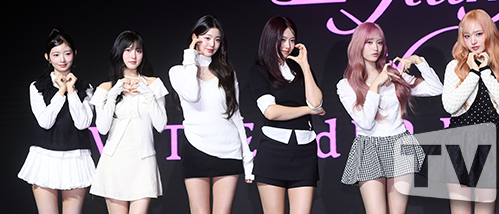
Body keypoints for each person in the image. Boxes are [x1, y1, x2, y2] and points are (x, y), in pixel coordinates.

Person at [337, 22, 443, 214]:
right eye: (369, 42)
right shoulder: (346, 85)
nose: (375, 48)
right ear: (358, 45)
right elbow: (365, 122)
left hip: (400, 144)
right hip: (369, 146)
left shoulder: (395, 76)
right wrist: (375, 85)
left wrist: (419, 61)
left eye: (379, 42)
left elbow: (436, 89)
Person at [169, 15, 254, 214]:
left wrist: (247, 158)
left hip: (229, 149)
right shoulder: (178, 71)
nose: (212, 44)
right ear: (195, 38)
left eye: (217, 39)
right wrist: (190, 58)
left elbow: (236, 115)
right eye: (207, 38)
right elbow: (192, 95)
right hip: (196, 146)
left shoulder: (227, 72)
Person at [441, 9, 499, 214]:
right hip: (459, 142)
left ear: (489, 33)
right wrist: (474, 73)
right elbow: (450, 106)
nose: (473, 41)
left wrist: (485, 71)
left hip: (488, 143)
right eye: (467, 36)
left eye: (478, 34)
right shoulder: (454, 67)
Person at [249, 16, 324, 214]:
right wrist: (307, 110)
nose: (287, 45)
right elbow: (271, 112)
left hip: (305, 152)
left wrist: (305, 65)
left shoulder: (301, 69)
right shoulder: (259, 71)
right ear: (270, 38)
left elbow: (316, 102)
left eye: (292, 40)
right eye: (282, 39)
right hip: (273, 151)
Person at [90, 31, 168, 214]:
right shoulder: (105, 88)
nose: (133, 56)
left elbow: (161, 125)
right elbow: (102, 128)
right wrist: (113, 94)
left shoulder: (154, 84)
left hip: (143, 161)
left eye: (138, 50)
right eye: (128, 50)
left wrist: (147, 93)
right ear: (119, 52)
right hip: (114, 161)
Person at [18, 28, 95, 214]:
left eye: (67, 53)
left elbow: (83, 123)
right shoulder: (37, 87)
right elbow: (45, 122)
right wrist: (61, 92)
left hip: (76, 158)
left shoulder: (86, 88)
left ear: (74, 54)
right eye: (56, 54)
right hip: (45, 157)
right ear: (47, 57)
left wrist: (71, 91)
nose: (62, 60)